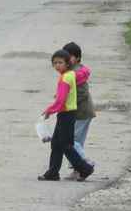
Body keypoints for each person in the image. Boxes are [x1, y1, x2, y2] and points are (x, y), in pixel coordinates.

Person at [39, 50, 95, 182]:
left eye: (60, 62)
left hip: (66, 114)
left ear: (67, 64)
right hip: (67, 113)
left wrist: (49, 110)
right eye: (55, 63)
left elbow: (61, 100)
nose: (57, 65)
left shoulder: (65, 78)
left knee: (65, 145)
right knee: (57, 144)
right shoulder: (69, 75)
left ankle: (85, 168)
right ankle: (53, 172)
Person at [63, 42, 96, 179]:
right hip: (79, 112)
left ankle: (85, 163)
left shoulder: (78, 73)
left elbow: (82, 93)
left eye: (68, 57)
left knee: (71, 141)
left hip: (81, 112)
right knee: (77, 141)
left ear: (77, 57)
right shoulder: (73, 71)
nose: (66, 60)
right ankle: (78, 170)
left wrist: (66, 102)